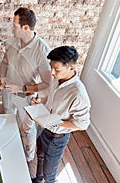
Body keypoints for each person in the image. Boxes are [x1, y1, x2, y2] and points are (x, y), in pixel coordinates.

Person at [0, 7, 52, 177]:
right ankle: (8, 148)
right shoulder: (12, 41)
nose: (12, 29)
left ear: (26, 28)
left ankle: (28, 160)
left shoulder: (43, 50)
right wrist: (2, 77)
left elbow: (46, 84)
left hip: (26, 98)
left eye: (15, 25)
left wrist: (21, 88)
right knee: (8, 119)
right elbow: (4, 62)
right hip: (8, 94)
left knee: (27, 130)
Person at [32, 46, 91, 183]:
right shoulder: (56, 79)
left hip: (57, 138)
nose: (52, 72)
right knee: (40, 157)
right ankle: (37, 179)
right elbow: (50, 97)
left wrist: (57, 122)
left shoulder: (78, 93)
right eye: (51, 67)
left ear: (71, 68)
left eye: (56, 69)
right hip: (44, 130)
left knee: (50, 175)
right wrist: (40, 100)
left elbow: (83, 124)